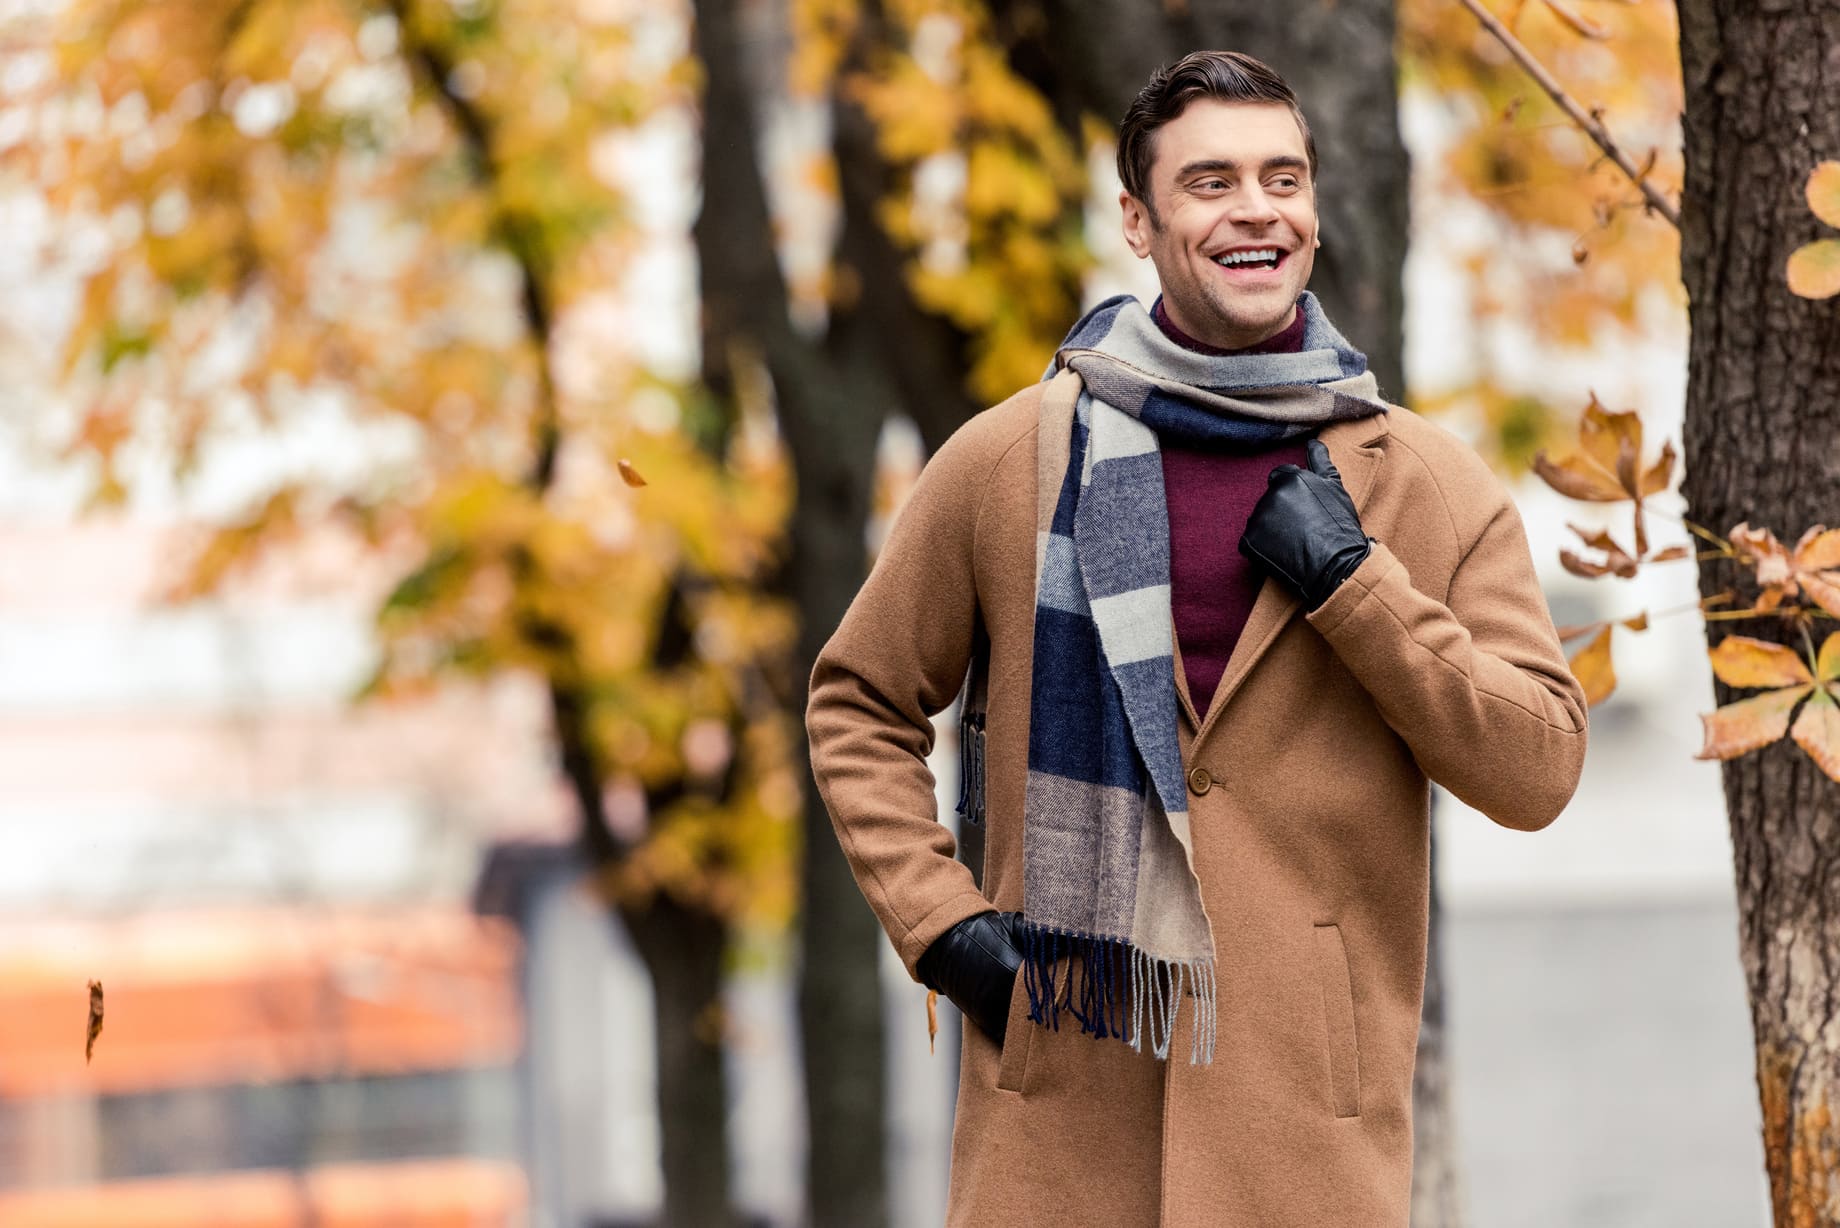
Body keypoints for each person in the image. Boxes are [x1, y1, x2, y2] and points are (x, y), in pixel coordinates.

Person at [805, 49, 1587, 1227]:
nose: (1256, 210)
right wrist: (944, 927)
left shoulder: (1421, 484)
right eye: (1211, 181)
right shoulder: (1010, 460)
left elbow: (1537, 768)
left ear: (1315, 211)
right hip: (1059, 1116)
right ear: (1137, 217)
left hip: (1305, 1137)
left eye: (1284, 178)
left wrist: (1352, 583)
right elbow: (857, 701)